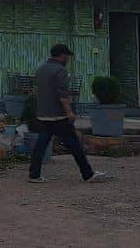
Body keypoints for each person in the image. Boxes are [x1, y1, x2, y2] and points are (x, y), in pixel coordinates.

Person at [29, 44, 113, 183]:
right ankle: (88, 174)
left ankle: (34, 174)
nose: (68, 59)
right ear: (62, 55)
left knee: (41, 144)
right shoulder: (60, 70)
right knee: (74, 145)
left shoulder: (41, 69)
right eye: (67, 56)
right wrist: (69, 111)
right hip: (58, 115)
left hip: (43, 114)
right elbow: (62, 93)